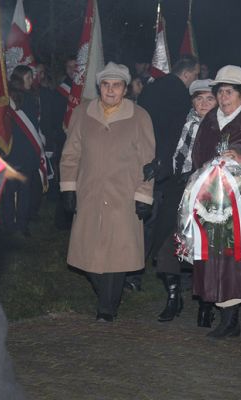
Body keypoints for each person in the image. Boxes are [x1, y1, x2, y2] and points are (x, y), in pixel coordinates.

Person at [60, 62, 155, 322]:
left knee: (118, 253)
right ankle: (108, 296)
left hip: (123, 195)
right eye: (105, 85)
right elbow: (70, 155)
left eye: (116, 85)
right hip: (89, 193)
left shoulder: (139, 116)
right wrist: (69, 187)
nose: (110, 90)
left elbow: (148, 162)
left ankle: (107, 308)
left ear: (125, 89)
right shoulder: (82, 114)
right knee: (88, 251)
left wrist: (144, 195)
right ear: (99, 87)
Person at [191, 65, 241, 338]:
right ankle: (228, 319)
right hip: (215, 201)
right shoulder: (210, 121)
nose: (223, 97)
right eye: (220, 92)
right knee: (219, 258)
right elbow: (197, 155)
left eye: (229, 92)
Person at [135, 55, 199, 305]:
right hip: (168, 167)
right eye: (195, 74)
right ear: (188, 73)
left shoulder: (151, 89)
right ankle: (169, 268)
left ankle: (134, 272)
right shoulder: (182, 96)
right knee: (164, 221)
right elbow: (177, 134)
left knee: (145, 218)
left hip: (146, 161)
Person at [157, 79, 217, 326]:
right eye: (198, 98)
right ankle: (173, 298)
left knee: (206, 248)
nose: (203, 103)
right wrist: (158, 166)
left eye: (209, 98)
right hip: (178, 189)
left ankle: (206, 303)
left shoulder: (222, 126)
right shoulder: (180, 122)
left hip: (209, 194)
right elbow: (167, 152)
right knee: (167, 243)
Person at [1, 65, 43, 236]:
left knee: (21, 192)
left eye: (31, 77)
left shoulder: (30, 98)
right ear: (19, 80)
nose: (31, 81)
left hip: (23, 154)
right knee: (12, 192)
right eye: (28, 78)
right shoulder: (8, 100)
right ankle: (14, 225)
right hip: (13, 153)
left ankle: (18, 225)